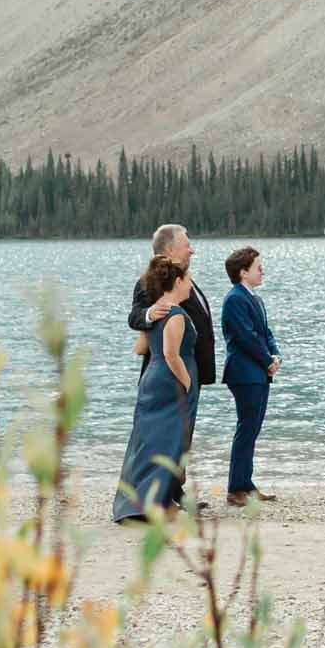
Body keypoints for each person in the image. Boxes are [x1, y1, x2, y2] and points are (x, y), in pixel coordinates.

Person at [129, 223, 217, 506]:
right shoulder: (150, 283)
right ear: (169, 249)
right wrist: (149, 314)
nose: (192, 248)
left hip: (190, 372)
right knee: (166, 434)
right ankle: (161, 494)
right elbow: (135, 316)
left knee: (183, 435)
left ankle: (175, 491)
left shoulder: (183, 279)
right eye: (186, 243)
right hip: (170, 374)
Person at [113, 254, 199, 522]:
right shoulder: (175, 314)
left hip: (152, 379)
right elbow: (171, 354)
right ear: (176, 281)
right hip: (169, 383)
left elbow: (140, 348)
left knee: (148, 440)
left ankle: (137, 501)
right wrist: (186, 381)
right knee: (168, 442)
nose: (191, 287)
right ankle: (157, 503)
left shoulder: (155, 311)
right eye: (188, 282)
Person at [221, 245, 281, 508]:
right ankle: (236, 489)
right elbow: (245, 337)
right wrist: (267, 360)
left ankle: (246, 484)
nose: (262, 270)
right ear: (243, 272)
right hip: (244, 373)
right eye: (258, 266)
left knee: (252, 429)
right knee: (246, 429)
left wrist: (275, 355)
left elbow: (265, 333)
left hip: (258, 372)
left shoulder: (255, 298)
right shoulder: (234, 299)